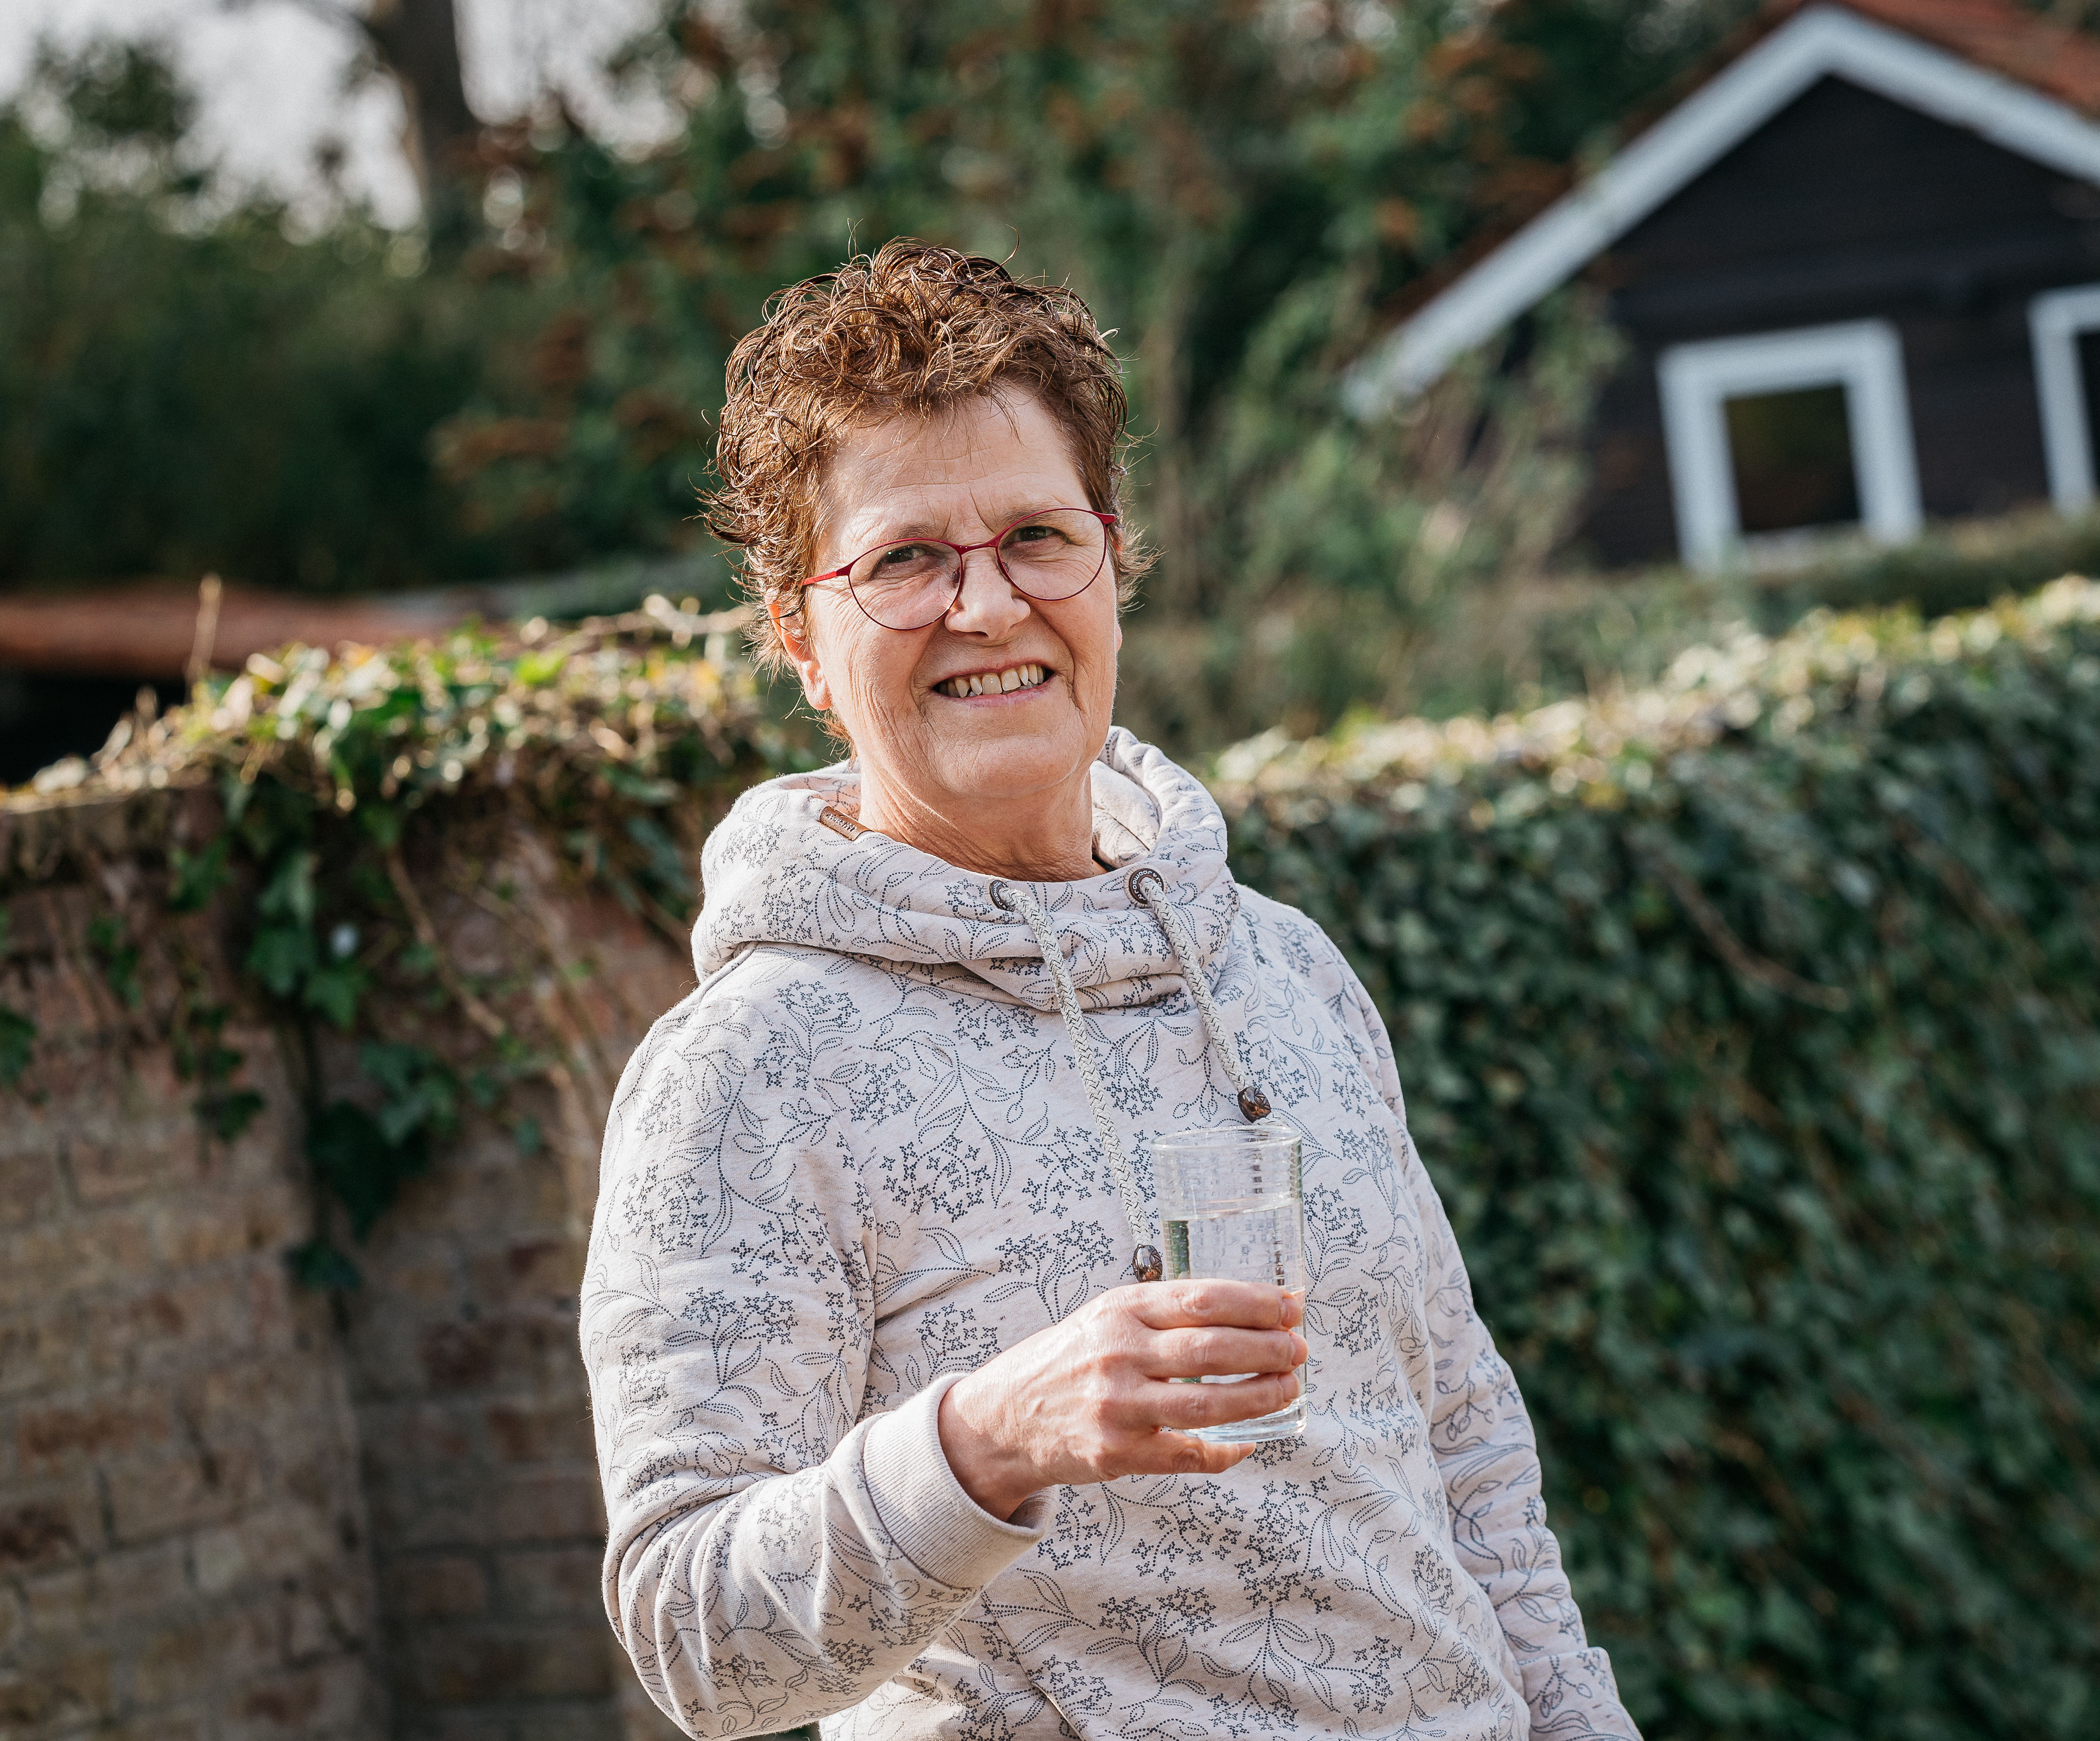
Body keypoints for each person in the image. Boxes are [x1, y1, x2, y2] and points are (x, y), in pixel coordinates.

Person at [580, 241, 1640, 1741]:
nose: (988, 604)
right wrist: (986, 1443)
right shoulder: (747, 1071)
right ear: (800, 640)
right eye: (903, 561)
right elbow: (700, 1642)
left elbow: (1464, 1451)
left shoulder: (1282, 965)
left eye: (1034, 536)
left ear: (1112, 560)